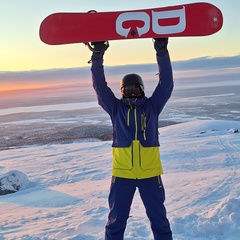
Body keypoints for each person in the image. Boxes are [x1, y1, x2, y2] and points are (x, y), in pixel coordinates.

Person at [90, 38, 173, 240]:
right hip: (122, 175)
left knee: (159, 220)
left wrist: (162, 52)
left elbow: (166, 85)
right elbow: (100, 88)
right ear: (122, 91)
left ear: (142, 89)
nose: (132, 92)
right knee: (116, 222)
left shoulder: (152, 107)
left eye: (135, 88)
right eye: (127, 89)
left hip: (150, 175)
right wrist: (97, 55)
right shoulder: (115, 108)